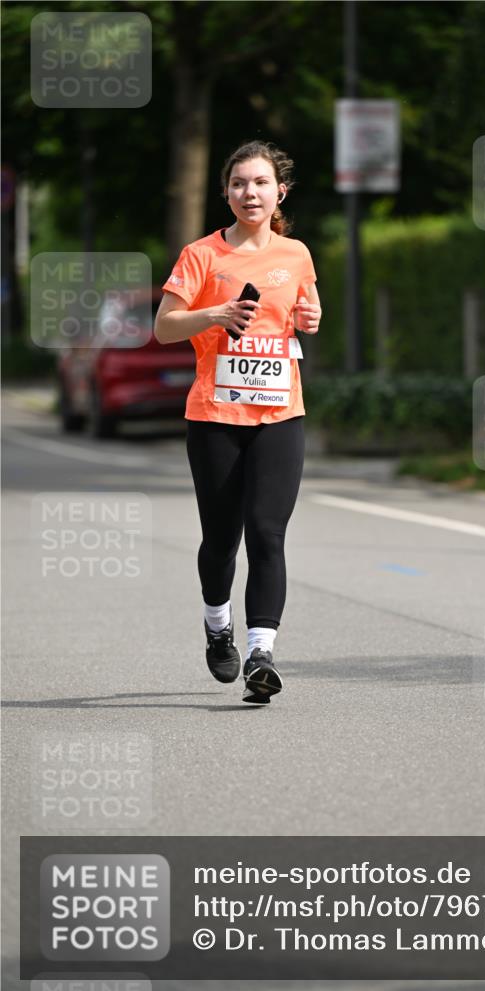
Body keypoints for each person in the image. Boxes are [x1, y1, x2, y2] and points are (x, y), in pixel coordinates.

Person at [154, 140, 321, 705]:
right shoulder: (202, 256)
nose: (249, 193)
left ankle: (260, 654)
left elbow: (306, 309)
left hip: (280, 412)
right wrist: (216, 313)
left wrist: (311, 315)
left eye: (260, 183)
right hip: (216, 416)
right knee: (222, 537)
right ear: (225, 192)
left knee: (267, 532)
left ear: (280, 192)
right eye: (238, 184)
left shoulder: (296, 253)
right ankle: (217, 624)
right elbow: (165, 327)